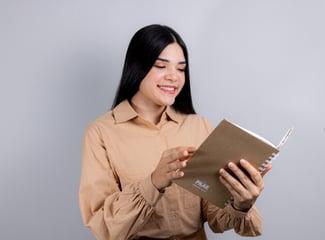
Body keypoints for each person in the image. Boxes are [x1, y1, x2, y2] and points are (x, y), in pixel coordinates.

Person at [79, 24, 271, 240]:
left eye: (181, 69)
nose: (174, 77)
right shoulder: (101, 133)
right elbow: (104, 226)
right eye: (161, 66)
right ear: (137, 67)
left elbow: (215, 216)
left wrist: (240, 203)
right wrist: (153, 182)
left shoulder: (199, 126)